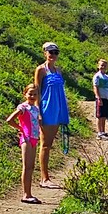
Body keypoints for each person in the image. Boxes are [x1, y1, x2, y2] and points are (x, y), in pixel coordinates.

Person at [33, 41, 69, 189]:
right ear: (45, 53)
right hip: (47, 108)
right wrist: (38, 111)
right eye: (50, 52)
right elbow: (37, 90)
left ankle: (46, 176)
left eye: (55, 52)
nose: (53, 55)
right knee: (45, 144)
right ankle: (44, 178)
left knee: (50, 143)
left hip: (58, 108)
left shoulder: (58, 70)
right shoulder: (41, 70)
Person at [5, 83, 43, 204]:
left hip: (34, 138)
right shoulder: (23, 107)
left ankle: (29, 193)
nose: (32, 96)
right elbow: (10, 120)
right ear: (25, 94)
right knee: (26, 167)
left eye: (35, 94)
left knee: (31, 167)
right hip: (26, 138)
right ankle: (26, 194)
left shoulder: (36, 108)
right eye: (30, 94)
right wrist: (20, 128)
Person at [92, 58, 108, 139]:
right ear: (98, 66)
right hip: (100, 98)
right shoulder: (97, 76)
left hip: (106, 98)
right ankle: (99, 133)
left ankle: (103, 132)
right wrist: (98, 97)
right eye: (101, 65)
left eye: (104, 65)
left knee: (104, 116)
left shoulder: (107, 77)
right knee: (99, 116)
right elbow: (95, 87)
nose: (103, 67)